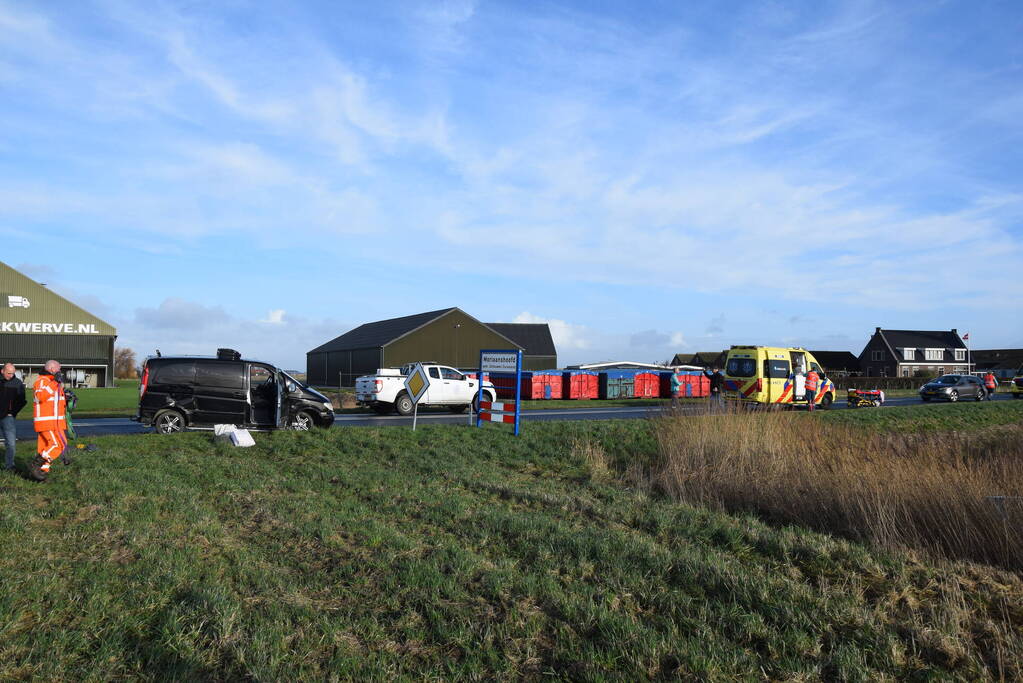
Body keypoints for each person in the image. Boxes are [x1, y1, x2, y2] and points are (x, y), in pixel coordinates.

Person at [30, 360, 68, 482]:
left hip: (55, 422)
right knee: (57, 445)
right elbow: (40, 396)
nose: (60, 372)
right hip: (47, 422)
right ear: (51, 368)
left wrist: (67, 398)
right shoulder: (42, 381)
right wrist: (55, 382)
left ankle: (40, 473)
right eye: (58, 369)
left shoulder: (53, 382)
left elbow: (55, 402)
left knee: (46, 447)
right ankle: (35, 465)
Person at [1, 363, 26, 471]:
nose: (11, 375)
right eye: (8, 373)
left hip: (7, 418)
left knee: (11, 443)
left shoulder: (17, 383)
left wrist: (12, 412)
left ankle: (9, 466)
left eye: (13, 373)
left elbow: (22, 401)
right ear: (2, 371)